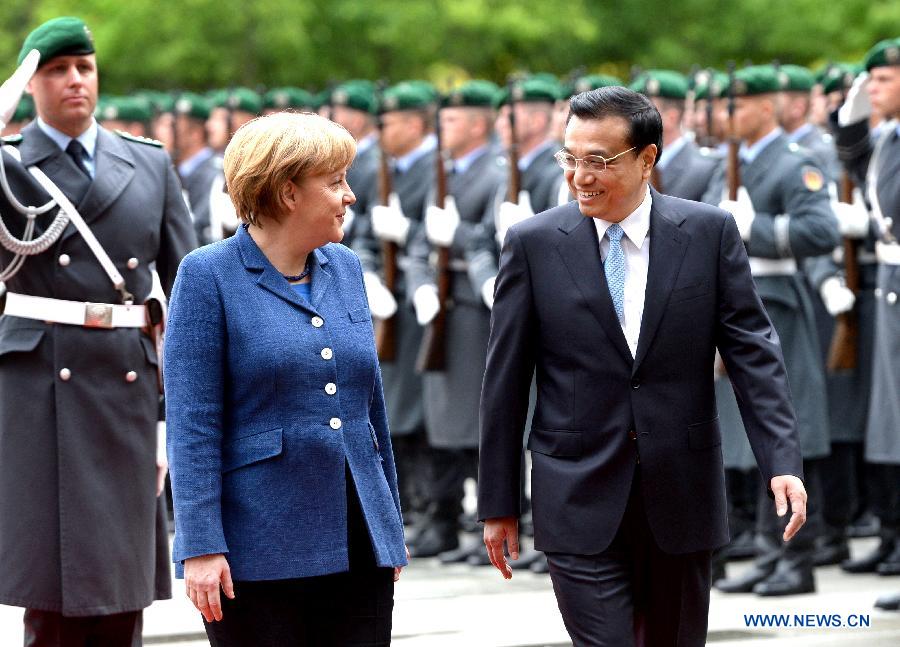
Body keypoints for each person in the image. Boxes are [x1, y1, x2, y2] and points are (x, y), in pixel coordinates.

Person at [477, 86, 808, 646]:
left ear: (647, 159)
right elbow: (504, 383)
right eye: (571, 158)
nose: (581, 176)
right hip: (575, 493)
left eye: (599, 161)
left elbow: (754, 354)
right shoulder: (533, 243)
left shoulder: (707, 233)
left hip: (681, 492)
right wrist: (499, 503)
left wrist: (782, 460)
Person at [164, 112, 407, 646]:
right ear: (287, 191)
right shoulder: (207, 275)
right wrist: (200, 545)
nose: (350, 196)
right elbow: (192, 423)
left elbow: (370, 410)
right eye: (335, 182)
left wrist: (388, 524)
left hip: (357, 537)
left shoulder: (343, 266)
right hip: (257, 546)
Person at [0, 16, 196, 645]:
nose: (74, 81)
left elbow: (186, 295)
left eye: (83, 67)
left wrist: (181, 410)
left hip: (126, 384)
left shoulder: (147, 164)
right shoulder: (8, 166)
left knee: (119, 586)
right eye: (56, 70)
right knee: (50, 596)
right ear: (30, 85)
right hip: (38, 388)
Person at [703, 65, 839, 597]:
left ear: (766, 106)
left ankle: (796, 559)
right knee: (741, 439)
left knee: (783, 431)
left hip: (777, 307)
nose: (726, 117)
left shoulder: (793, 162)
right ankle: (766, 551)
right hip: (732, 311)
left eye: (737, 106)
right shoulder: (727, 166)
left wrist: (755, 229)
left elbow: (821, 230)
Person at [404, 80, 506, 561]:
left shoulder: (497, 172)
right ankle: (440, 520)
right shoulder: (441, 173)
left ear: (479, 124)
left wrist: (459, 234)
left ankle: (487, 523)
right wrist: (419, 285)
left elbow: (492, 238)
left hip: (475, 304)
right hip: (441, 308)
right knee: (441, 422)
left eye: (452, 119)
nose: (443, 128)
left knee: (478, 423)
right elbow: (421, 244)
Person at [832, 36, 900, 612]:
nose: (874, 89)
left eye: (883, 79)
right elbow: (849, 144)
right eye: (870, 81)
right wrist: (857, 99)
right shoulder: (886, 138)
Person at [630, 69, 721, 201]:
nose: (633, 120)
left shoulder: (708, 167)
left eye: (641, 113)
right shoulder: (631, 164)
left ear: (671, 117)